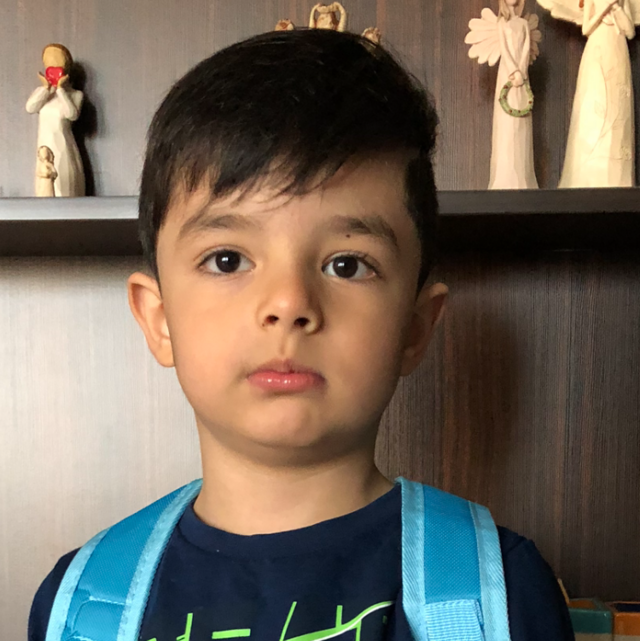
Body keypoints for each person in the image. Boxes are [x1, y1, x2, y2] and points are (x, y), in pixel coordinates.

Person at [28, 29, 574, 641]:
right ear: (158, 319)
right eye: (228, 260)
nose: (289, 304)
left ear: (416, 328)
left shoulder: (500, 592)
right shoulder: (79, 604)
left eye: (347, 264)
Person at [25, 43, 85, 197]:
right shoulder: (43, 93)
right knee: (45, 189)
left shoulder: (75, 95)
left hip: (63, 147)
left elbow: (72, 114)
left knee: (65, 190)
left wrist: (60, 90)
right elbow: (30, 107)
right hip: (44, 148)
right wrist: (47, 89)